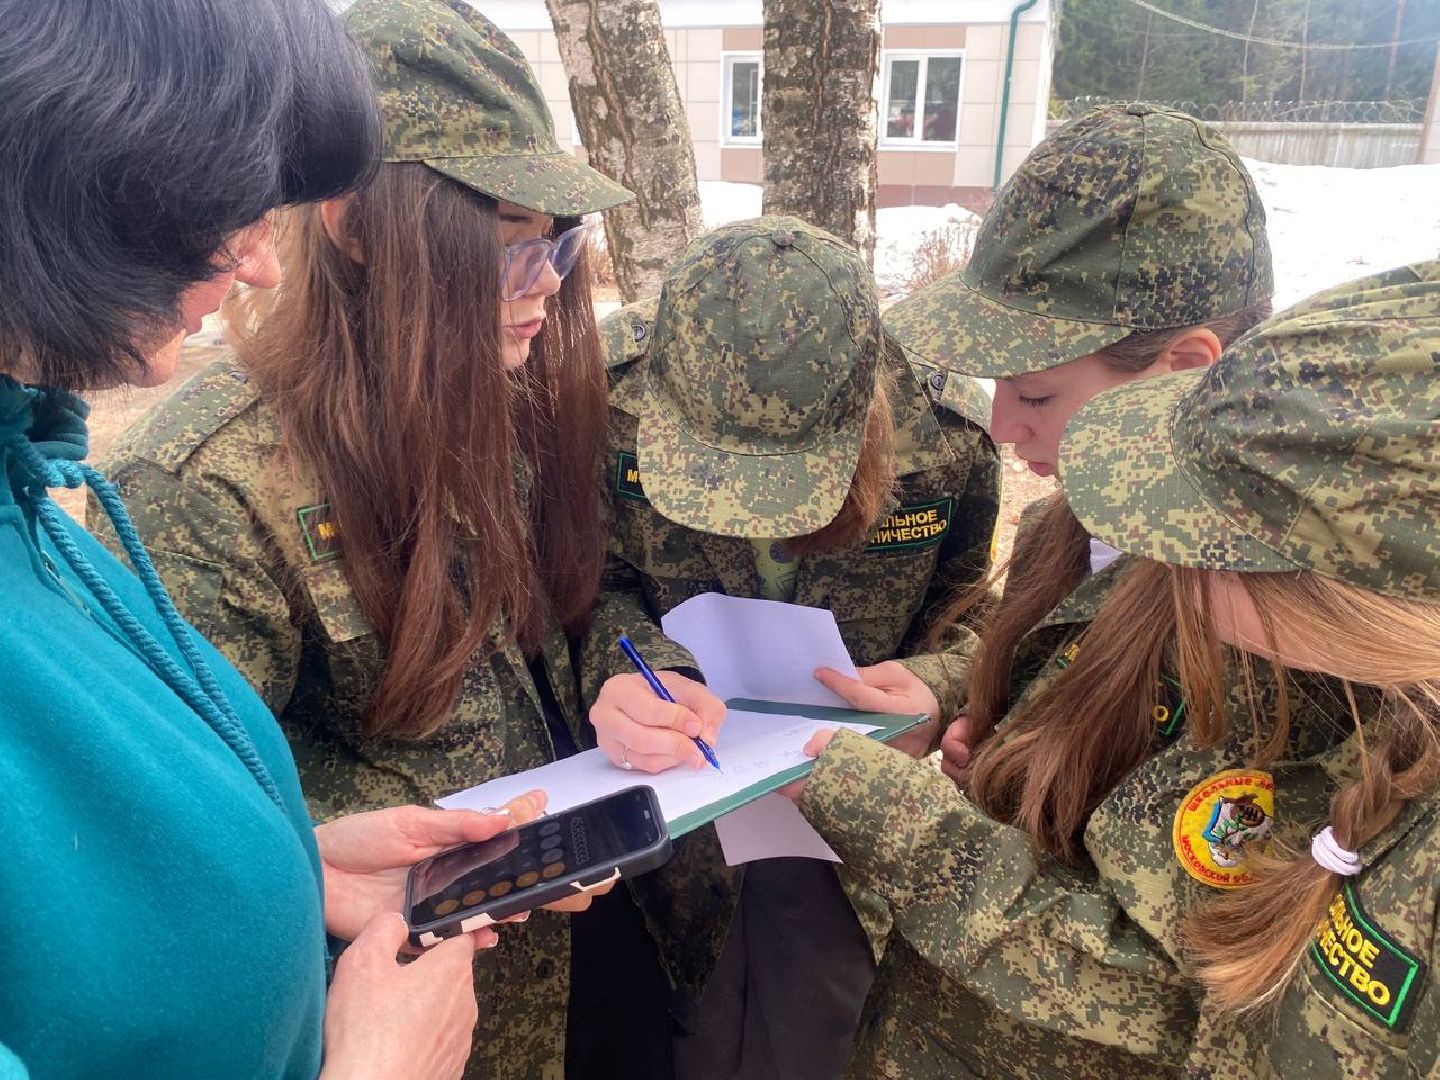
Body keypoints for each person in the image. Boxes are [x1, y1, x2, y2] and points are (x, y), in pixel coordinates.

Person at [91, 1, 667, 1077]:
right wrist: (405, 852)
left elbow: (584, 607)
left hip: (607, 957)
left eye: (559, 243)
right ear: (354, 226)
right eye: (506, 248)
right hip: (424, 1016)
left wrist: (639, 677)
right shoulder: (205, 485)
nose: (547, 286)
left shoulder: (512, 396)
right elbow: (163, 838)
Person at [0, 1, 553, 1077]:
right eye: (229, 204)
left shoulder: (31, 508)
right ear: (63, 163)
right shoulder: (199, 475)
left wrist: (294, 861)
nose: (260, 263)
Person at [783, 261, 1440, 1077]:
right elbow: (1070, 645)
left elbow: (1194, 985)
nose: (1174, 574)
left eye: (1035, 394)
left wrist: (901, 822)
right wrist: (966, 691)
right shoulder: (1178, 534)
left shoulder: (1331, 701)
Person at [579, 216, 1000, 1080]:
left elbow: (978, 621)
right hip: (661, 820)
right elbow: (585, 587)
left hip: (840, 831)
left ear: (865, 411)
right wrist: (629, 669)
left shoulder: (947, 439)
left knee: (821, 1039)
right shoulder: (603, 400)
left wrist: (939, 684)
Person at [877, 102, 1274, 784]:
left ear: (1184, 370)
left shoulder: (1273, 615)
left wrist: (876, 805)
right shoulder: (1059, 534)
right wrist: (967, 699)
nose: (1004, 426)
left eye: (1035, 395)